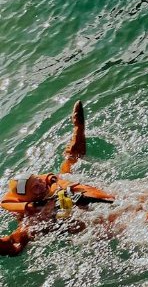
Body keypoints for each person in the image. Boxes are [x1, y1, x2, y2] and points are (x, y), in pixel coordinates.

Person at [1, 101, 113, 256]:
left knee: (70, 160)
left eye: (39, 181)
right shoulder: (28, 215)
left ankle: (78, 128)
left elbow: (64, 164)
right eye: (35, 187)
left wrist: (78, 129)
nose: (40, 185)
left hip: (81, 202)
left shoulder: (55, 184)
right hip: (70, 225)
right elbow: (16, 243)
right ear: (26, 197)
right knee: (24, 236)